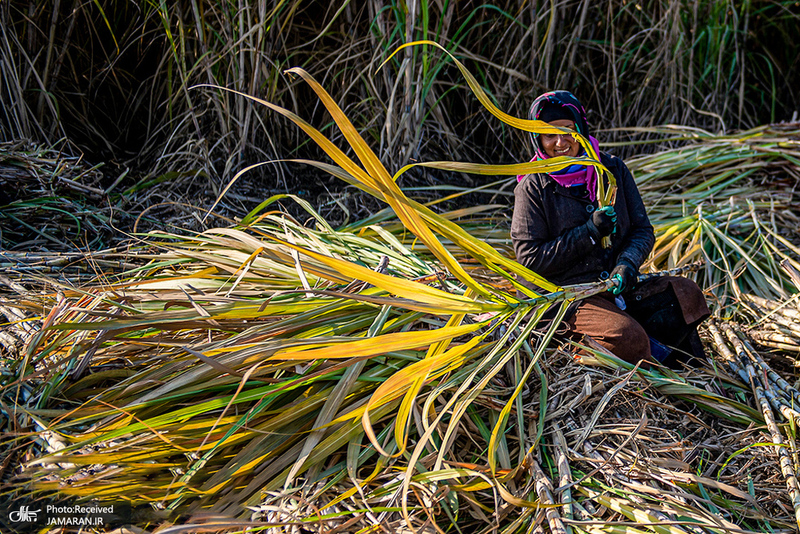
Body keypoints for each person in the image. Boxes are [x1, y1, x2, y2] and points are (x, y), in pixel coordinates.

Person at [511, 91, 710, 368]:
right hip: (567, 298)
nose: (560, 142)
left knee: (688, 296)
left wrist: (627, 264)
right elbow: (531, 260)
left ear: (580, 128)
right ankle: (586, 347)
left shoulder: (612, 169)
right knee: (628, 338)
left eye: (568, 131)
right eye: (549, 134)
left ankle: (669, 357)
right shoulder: (534, 187)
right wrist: (588, 232)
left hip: (615, 288)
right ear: (538, 139)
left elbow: (642, 229)